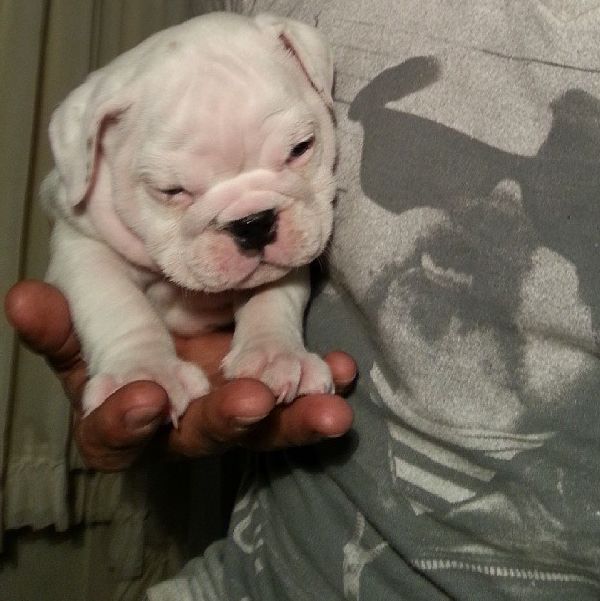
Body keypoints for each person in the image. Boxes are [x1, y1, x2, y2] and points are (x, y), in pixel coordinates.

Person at [6, 0, 600, 598]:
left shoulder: (278, 51)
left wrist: (270, 335)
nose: (254, 219)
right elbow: (82, 253)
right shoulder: (101, 176)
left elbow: (284, 272)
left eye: (296, 150)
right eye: (174, 189)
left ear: (313, 75)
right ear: (93, 146)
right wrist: (129, 346)